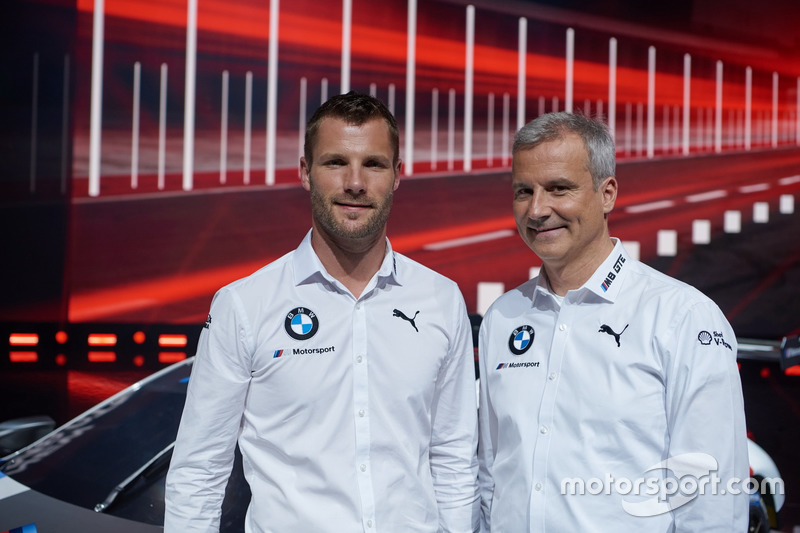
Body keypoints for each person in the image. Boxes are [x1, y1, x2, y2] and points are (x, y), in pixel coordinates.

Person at [165, 92, 479, 532]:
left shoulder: (441, 300)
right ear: (305, 173)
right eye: (335, 162)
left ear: (397, 175)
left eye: (374, 164)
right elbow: (200, 469)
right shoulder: (245, 305)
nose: (355, 182)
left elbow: (454, 457)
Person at [477, 112, 748, 531]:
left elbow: (711, 495)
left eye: (558, 189)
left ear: (607, 194)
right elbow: (491, 474)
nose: (536, 209)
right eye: (523, 191)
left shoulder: (682, 316)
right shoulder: (503, 318)